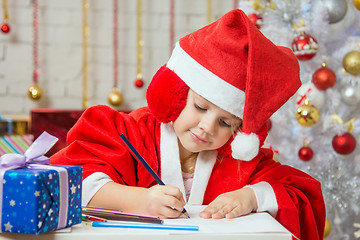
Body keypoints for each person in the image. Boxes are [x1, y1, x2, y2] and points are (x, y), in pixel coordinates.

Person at [51, 9, 325, 240]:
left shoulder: (240, 160)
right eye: (200, 107)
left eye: (225, 122)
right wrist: (138, 201)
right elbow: (69, 180)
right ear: (178, 93)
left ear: (240, 132)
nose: (207, 127)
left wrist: (251, 197)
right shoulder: (130, 132)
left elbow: (300, 196)